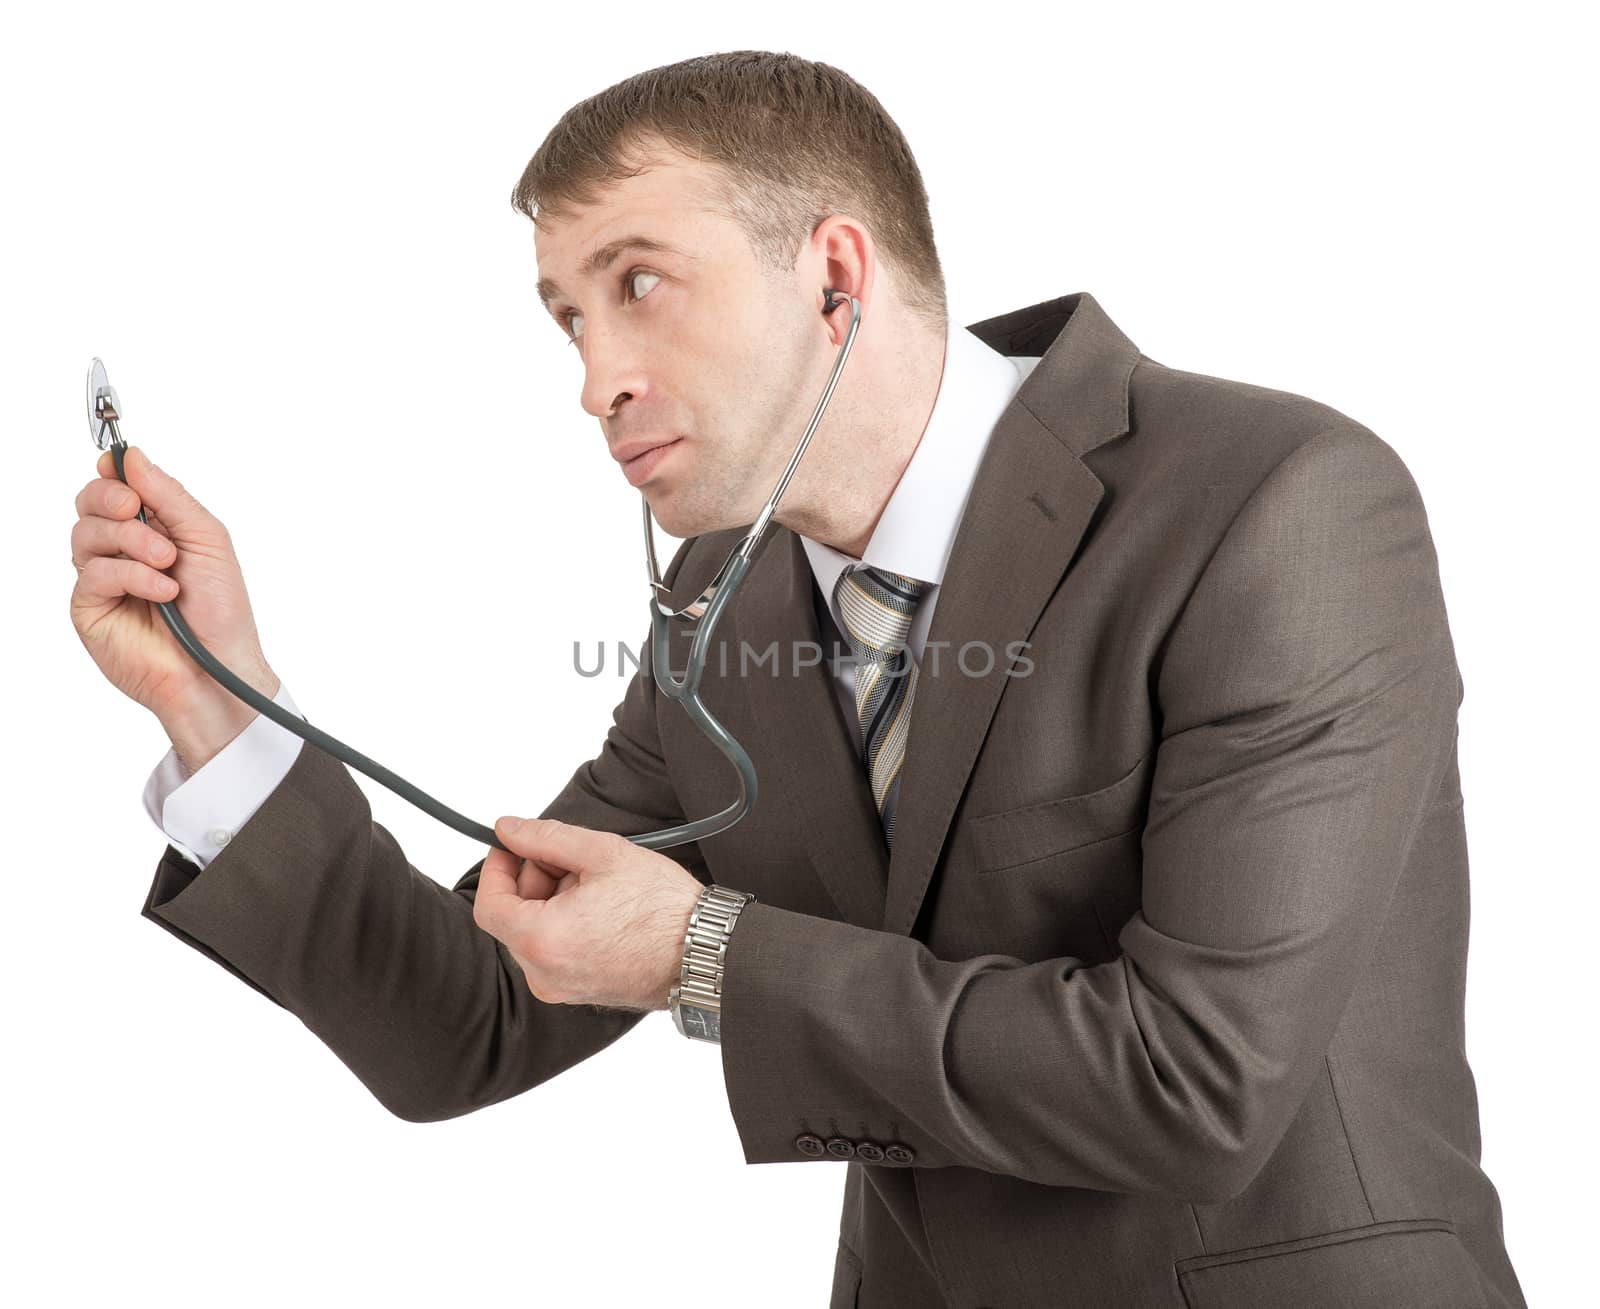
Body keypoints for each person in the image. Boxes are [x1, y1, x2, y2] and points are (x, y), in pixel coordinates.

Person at [68, 50, 1526, 1309]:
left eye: (639, 284)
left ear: (835, 275)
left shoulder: (1276, 502)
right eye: (570, 318)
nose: (595, 380)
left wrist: (706, 950)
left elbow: (1199, 1082)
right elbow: (470, 1017)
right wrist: (224, 703)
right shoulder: (721, 601)